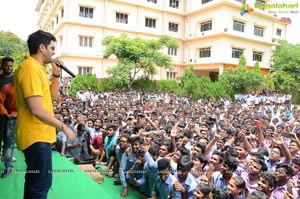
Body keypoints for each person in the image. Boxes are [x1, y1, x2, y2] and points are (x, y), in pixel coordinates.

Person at [14, 30, 75, 199]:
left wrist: (55, 74)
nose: (54, 52)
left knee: (37, 181)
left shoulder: (38, 69)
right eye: (52, 48)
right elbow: (36, 109)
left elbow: (52, 96)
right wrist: (64, 127)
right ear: (42, 47)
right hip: (36, 136)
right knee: (41, 183)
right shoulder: (30, 69)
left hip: (40, 135)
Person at [0, 57, 17, 178]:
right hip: (2, 115)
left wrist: (15, 114)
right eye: (6, 65)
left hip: (13, 117)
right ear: (2, 66)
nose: (9, 67)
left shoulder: (17, 81)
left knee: (9, 143)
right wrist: (5, 113)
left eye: (11, 65)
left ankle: (8, 166)